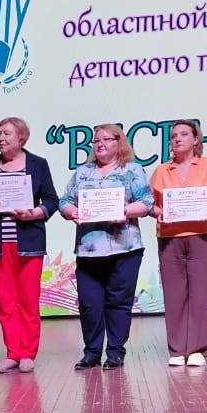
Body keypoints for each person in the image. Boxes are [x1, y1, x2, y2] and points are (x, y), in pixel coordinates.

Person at [59, 124, 153, 370]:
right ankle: (91, 353)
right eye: (96, 140)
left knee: (119, 302)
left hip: (124, 248)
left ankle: (115, 352)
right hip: (89, 250)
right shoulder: (83, 172)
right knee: (89, 304)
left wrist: (125, 211)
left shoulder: (132, 170)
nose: (100, 144)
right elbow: (65, 200)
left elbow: (146, 201)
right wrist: (72, 212)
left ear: (119, 142)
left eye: (106, 139)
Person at [0, 117, 59, 373]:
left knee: (29, 300)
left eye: (6, 133)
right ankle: (13, 352)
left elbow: (52, 200)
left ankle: (28, 353)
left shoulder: (37, 164)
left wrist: (34, 213)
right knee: (6, 302)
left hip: (28, 242)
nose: (0, 138)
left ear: (21, 138)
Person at [148, 120, 207, 367]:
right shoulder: (162, 170)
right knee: (174, 294)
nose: (177, 139)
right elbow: (149, 204)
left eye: (184, 134)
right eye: (173, 135)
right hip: (169, 236)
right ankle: (176, 349)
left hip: (202, 234)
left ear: (196, 139)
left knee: (201, 294)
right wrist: (159, 212)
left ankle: (197, 350)